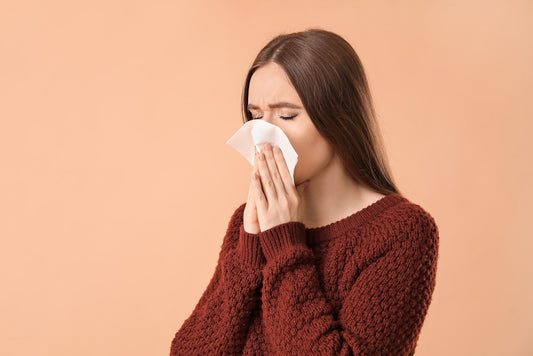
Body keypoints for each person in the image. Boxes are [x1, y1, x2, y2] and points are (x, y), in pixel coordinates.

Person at [169, 28, 439, 355]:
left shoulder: (402, 232)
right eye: (255, 116)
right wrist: (250, 250)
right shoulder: (247, 222)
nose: (263, 135)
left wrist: (284, 243)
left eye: (287, 115)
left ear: (339, 120)